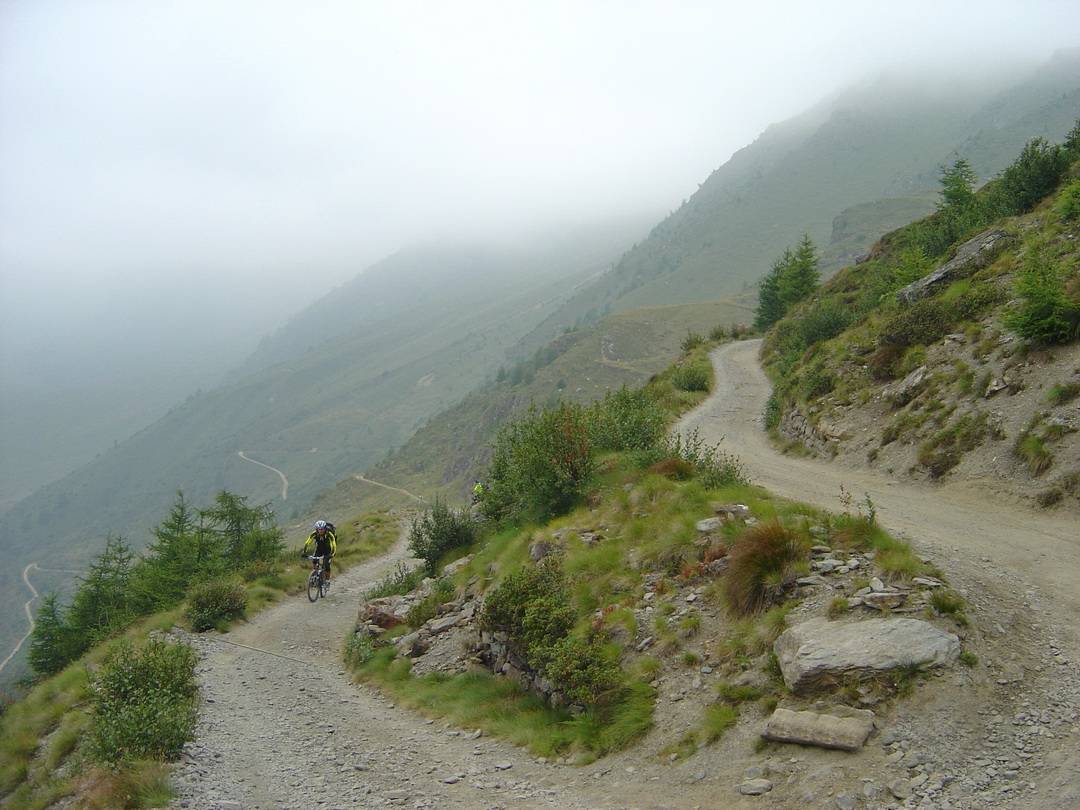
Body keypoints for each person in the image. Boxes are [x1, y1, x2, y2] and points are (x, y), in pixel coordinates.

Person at [302, 519, 337, 586]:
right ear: (317, 529)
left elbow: (333, 545)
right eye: (319, 529)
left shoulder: (329, 534)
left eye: (322, 529)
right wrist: (304, 552)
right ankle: (315, 575)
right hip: (319, 549)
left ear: (325, 528)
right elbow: (307, 542)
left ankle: (327, 580)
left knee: (326, 565)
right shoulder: (314, 534)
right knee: (314, 560)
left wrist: (332, 554)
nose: (320, 531)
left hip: (328, 551)